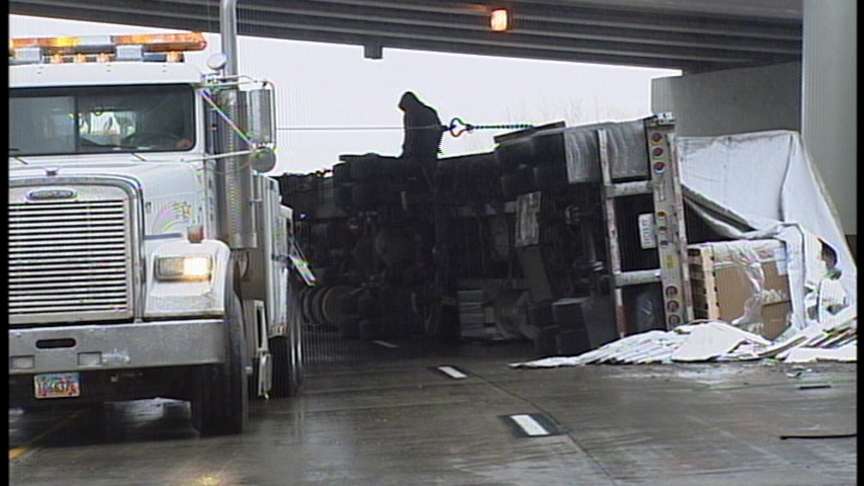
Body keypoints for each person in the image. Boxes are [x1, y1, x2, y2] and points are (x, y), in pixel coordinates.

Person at [398, 91, 443, 186]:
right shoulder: (430, 111)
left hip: (417, 153)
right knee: (431, 177)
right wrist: (435, 146)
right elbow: (439, 130)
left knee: (415, 177)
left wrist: (406, 152)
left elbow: (410, 135)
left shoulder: (411, 113)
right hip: (431, 152)